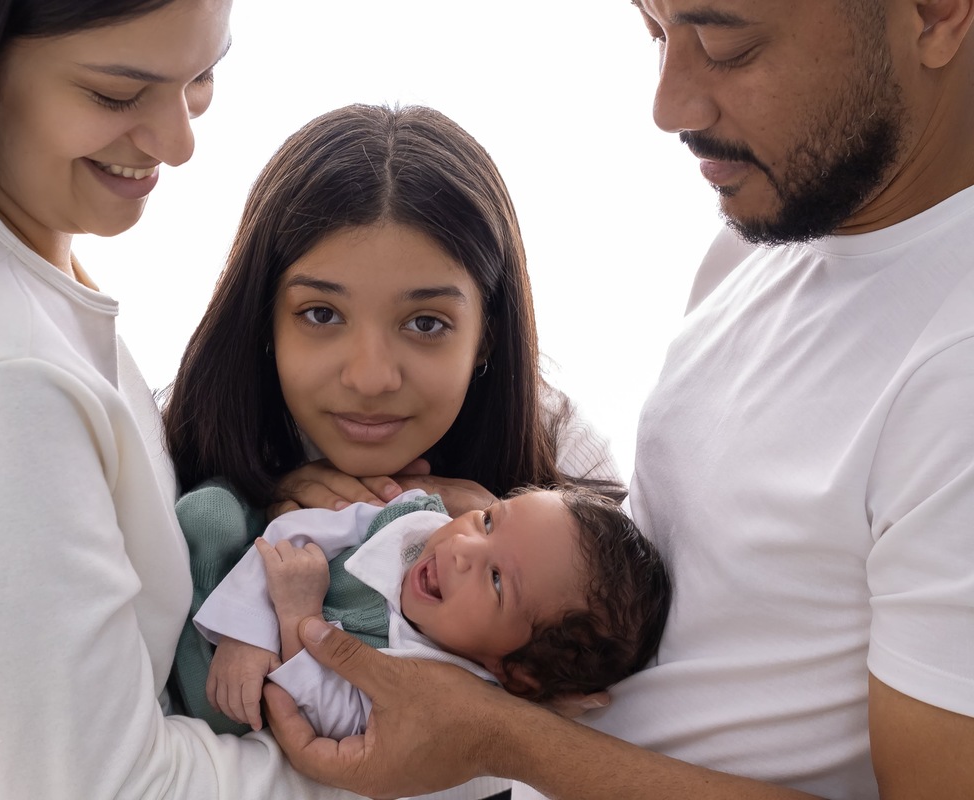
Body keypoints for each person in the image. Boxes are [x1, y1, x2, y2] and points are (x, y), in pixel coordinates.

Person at [260, 1, 974, 798]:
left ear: (937, 12)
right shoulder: (762, 240)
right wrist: (448, 515)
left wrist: (499, 738)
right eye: (657, 33)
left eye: (725, 43)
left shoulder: (955, 371)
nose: (669, 105)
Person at [0, 2, 361, 798]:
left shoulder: (11, 296)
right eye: (118, 96)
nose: (180, 142)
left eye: (204, 75)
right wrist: (445, 756)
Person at [161, 102, 627, 799]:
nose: (371, 376)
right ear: (264, 316)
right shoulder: (171, 440)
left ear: (488, 337)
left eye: (426, 322)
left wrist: (501, 524)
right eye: (321, 314)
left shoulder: (558, 453)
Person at [174, 484, 668, 740]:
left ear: (516, 673)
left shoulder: (433, 688)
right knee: (212, 512)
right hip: (230, 590)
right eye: (489, 520)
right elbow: (294, 536)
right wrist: (247, 635)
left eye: (496, 580)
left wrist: (296, 616)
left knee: (223, 712)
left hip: (220, 694)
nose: (462, 548)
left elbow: (326, 719)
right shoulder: (411, 521)